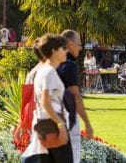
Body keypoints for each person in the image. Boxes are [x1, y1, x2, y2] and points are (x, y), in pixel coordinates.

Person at [21, 34, 72, 163]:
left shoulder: (43, 70)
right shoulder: (49, 72)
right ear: (54, 51)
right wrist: (60, 124)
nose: (66, 51)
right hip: (52, 123)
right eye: (63, 48)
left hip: (45, 123)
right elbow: (45, 101)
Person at [58, 29, 94, 163]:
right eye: (78, 44)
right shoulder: (69, 64)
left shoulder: (51, 63)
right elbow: (75, 96)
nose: (80, 48)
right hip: (67, 116)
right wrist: (87, 122)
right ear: (69, 43)